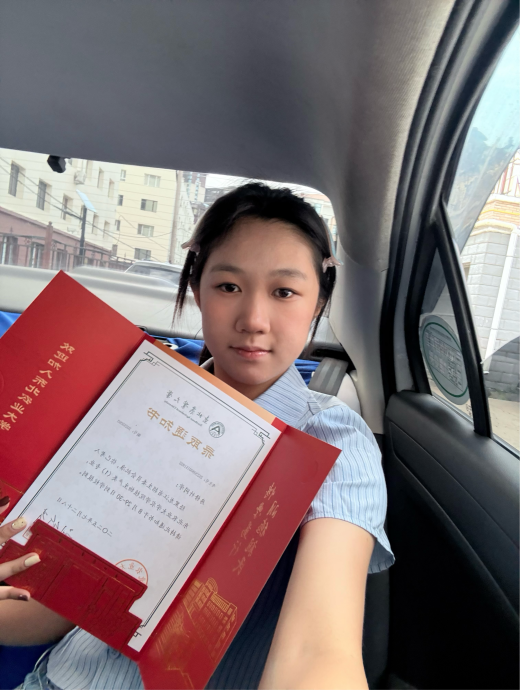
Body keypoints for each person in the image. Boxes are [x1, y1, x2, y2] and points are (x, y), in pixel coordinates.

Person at [0, 183, 393, 690]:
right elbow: (62, 611)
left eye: (284, 292)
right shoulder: (137, 405)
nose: (253, 320)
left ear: (318, 302)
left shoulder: (334, 440)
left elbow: (317, 653)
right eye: (228, 286)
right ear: (196, 290)